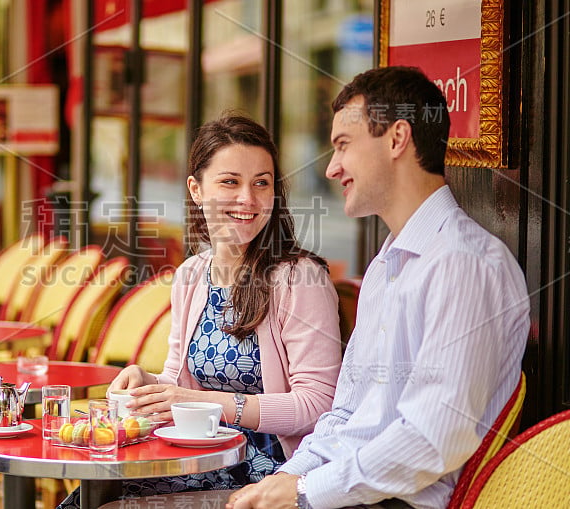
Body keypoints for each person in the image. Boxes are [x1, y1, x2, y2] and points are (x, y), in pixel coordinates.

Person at [227, 66, 530, 509]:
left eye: (343, 146)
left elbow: (433, 440)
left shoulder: (464, 263)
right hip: (352, 496)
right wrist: (283, 481)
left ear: (396, 139)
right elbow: (346, 416)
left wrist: (305, 491)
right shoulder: (387, 266)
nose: (331, 168)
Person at [57, 113, 343, 507]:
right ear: (196, 189)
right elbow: (180, 381)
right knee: (90, 495)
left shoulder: (299, 279)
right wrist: (148, 381)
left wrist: (213, 404)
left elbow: (318, 405)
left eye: (262, 183)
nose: (248, 198)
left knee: (107, 502)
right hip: (193, 454)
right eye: (230, 182)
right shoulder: (192, 274)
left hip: (267, 469)